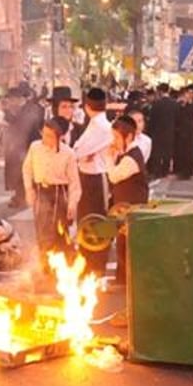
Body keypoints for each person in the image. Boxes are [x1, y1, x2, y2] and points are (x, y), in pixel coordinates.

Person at [23, 119, 80, 269]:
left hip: (59, 193)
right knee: (42, 232)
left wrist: (72, 204)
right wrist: (29, 190)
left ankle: (63, 269)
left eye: (50, 136)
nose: (46, 139)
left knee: (59, 233)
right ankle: (45, 268)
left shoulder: (68, 153)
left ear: (59, 137)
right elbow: (27, 169)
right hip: (41, 191)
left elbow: (74, 182)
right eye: (44, 134)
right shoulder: (35, 147)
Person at [73, 88, 113, 275]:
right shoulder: (99, 124)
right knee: (90, 222)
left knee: (94, 222)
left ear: (87, 107)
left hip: (95, 178)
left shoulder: (100, 126)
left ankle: (95, 265)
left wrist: (85, 154)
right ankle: (91, 264)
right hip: (90, 177)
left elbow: (77, 150)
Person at [106, 115, 149, 286]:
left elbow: (114, 176)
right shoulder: (126, 154)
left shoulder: (132, 157)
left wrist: (109, 158)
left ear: (128, 137)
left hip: (132, 209)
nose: (114, 141)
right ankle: (123, 280)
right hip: (124, 208)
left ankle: (128, 284)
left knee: (129, 247)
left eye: (117, 137)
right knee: (123, 245)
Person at [4, 87, 43, 208]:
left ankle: (21, 197)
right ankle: (21, 196)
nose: (10, 102)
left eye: (11, 99)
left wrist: (7, 115)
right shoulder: (28, 108)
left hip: (27, 145)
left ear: (18, 99)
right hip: (23, 146)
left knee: (23, 172)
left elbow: (22, 126)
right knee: (22, 172)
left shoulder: (28, 109)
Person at [146, 82, 178, 179]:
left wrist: (150, 131)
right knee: (167, 152)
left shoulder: (156, 104)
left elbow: (152, 119)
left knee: (157, 153)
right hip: (170, 132)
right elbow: (177, 119)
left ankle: (157, 171)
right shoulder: (174, 104)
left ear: (159, 91)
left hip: (157, 132)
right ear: (168, 91)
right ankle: (165, 170)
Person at [173, 83, 193, 180]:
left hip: (190, 136)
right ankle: (183, 171)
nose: (188, 95)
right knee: (183, 153)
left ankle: (186, 172)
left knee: (189, 154)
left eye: (190, 92)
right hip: (183, 135)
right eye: (187, 92)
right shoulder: (185, 105)